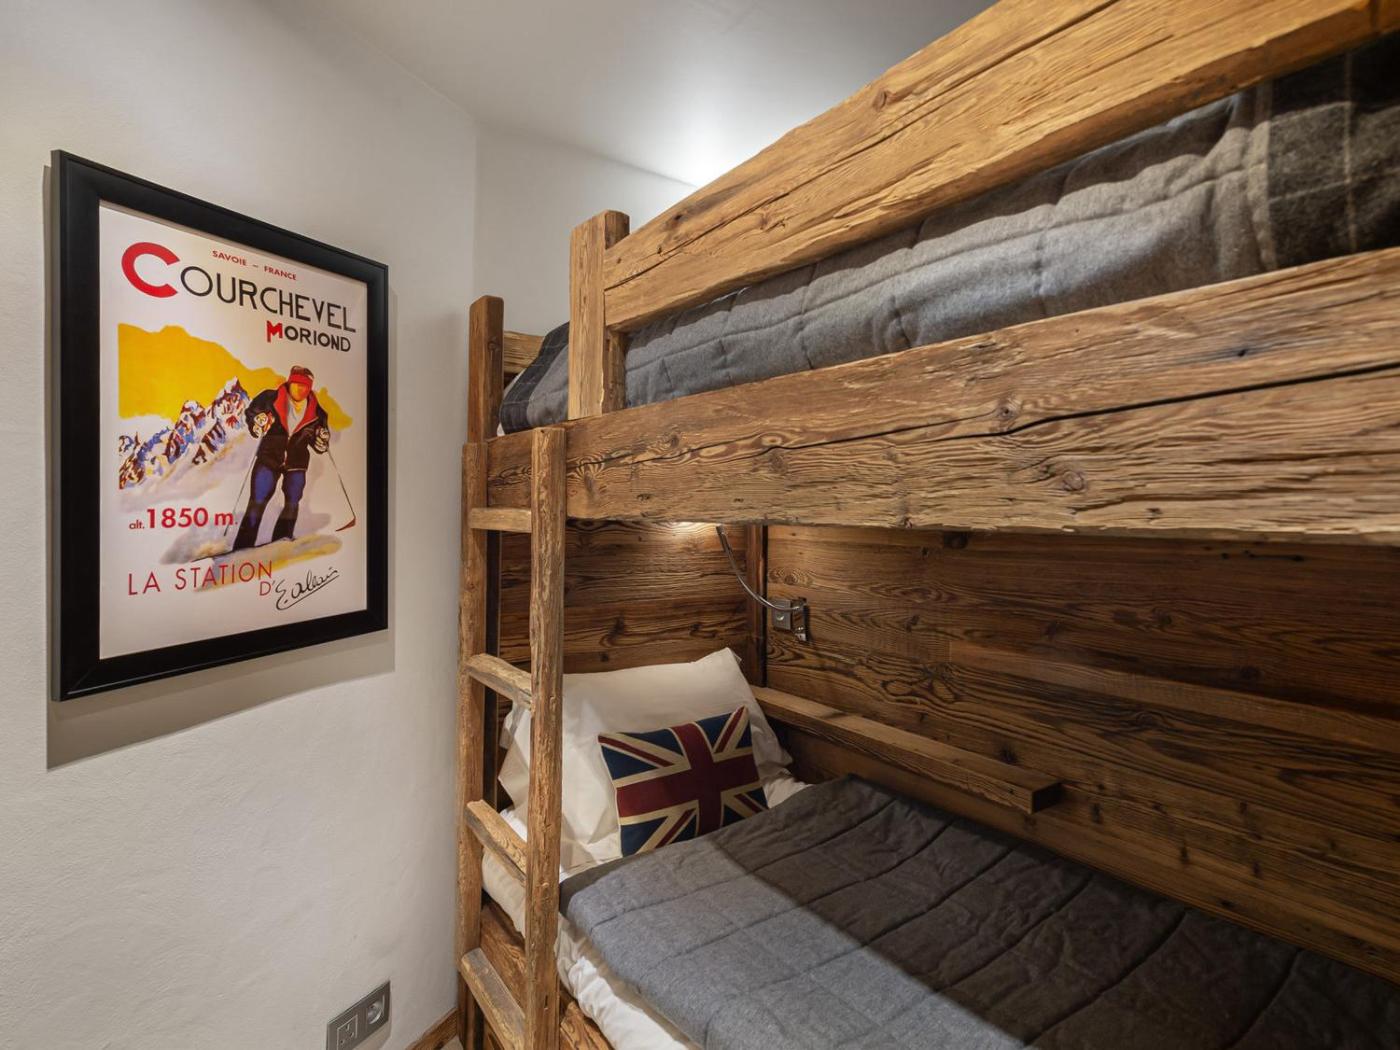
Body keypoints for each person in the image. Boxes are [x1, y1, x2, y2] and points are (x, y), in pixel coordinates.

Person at [232, 365, 330, 550]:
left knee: (292, 502)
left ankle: (282, 544)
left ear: (310, 388)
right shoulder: (270, 398)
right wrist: (257, 423)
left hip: (297, 463)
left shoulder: (318, 412)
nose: (300, 389)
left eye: (305, 386)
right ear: (289, 382)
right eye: (296, 384)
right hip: (269, 458)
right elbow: (252, 414)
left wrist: (321, 442)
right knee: (257, 500)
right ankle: (242, 547)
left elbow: (320, 439)